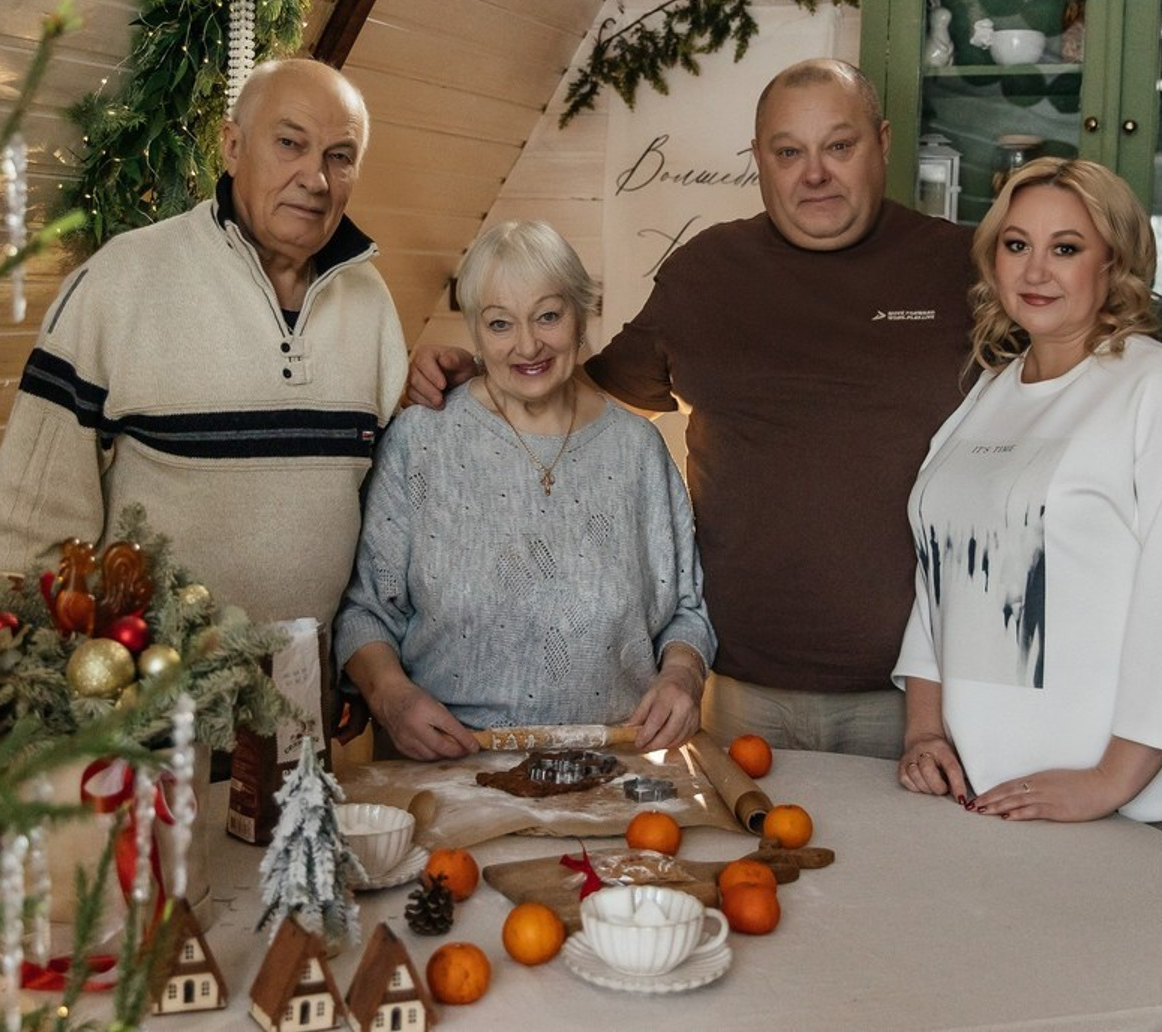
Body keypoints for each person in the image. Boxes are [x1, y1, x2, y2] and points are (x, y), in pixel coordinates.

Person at [407, 59, 974, 758]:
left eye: (840, 145)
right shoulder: (707, 272)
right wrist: (478, 373)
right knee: (743, 864)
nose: (814, 173)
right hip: (736, 688)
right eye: (788, 151)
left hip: (922, 694)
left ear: (883, 141)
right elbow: (576, 386)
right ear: (759, 158)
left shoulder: (964, 268)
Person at [0, 58, 407, 628]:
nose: (315, 178)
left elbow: (384, 520)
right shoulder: (121, 279)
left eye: (339, 156)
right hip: (144, 699)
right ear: (231, 147)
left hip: (304, 696)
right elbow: (24, 532)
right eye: (289, 143)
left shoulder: (371, 300)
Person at [333, 220, 716, 760]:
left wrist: (682, 676)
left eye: (548, 315)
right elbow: (365, 609)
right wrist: (390, 696)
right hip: (449, 770)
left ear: (581, 317)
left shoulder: (637, 452)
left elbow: (686, 610)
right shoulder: (422, 442)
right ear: (474, 332)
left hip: (613, 768)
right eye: (499, 324)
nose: (528, 344)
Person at [895, 158, 1162, 821]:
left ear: (1115, 264)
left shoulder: (1146, 388)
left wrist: (1108, 782)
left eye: (1065, 249)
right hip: (976, 792)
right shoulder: (990, 392)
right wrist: (924, 731)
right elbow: (939, 573)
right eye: (1017, 245)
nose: (1034, 271)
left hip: (1111, 808)